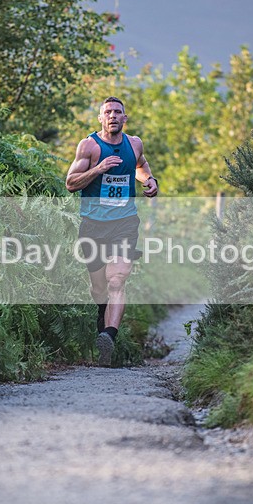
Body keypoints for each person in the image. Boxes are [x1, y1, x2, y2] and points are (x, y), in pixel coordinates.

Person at [65, 96, 158, 366]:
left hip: (124, 222)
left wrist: (150, 180)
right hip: (93, 224)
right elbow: (70, 183)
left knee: (116, 280)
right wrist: (98, 169)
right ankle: (102, 316)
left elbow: (141, 165)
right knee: (98, 288)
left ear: (124, 118)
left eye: (118, 112)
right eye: (108, 112)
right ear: (100, 118)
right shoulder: (89, 146)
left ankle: (108, 336)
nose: (113, 116)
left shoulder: (134, 144)